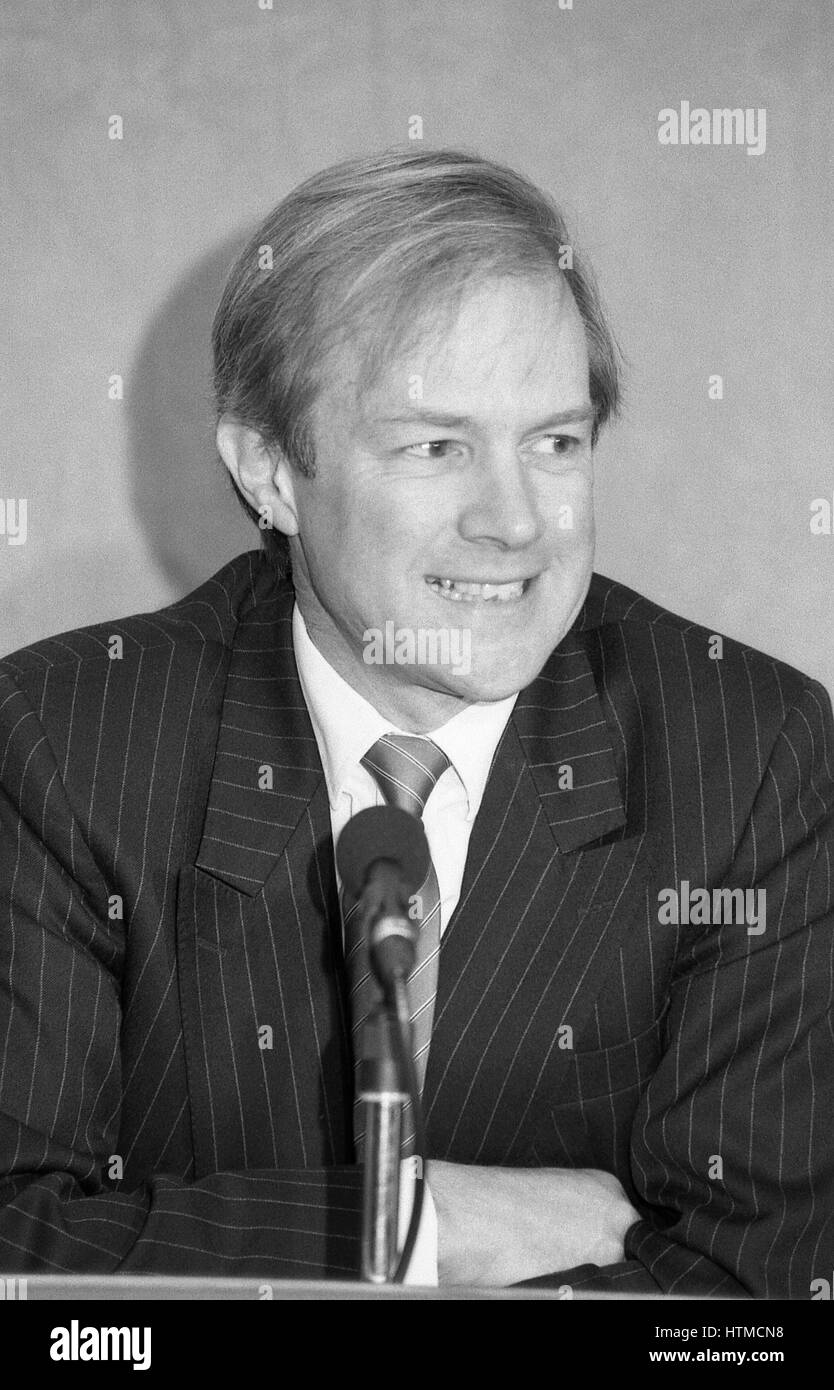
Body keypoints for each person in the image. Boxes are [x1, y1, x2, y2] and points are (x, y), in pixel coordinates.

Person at [0, 149, 831, 1296]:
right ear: (271, 470)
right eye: (436, 447)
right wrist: (401, 1231)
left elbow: (752, 1290)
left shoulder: (749, 750)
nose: (514, 522)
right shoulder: (65, 740)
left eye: (556, 442)